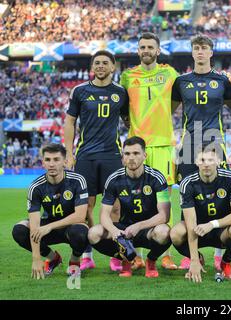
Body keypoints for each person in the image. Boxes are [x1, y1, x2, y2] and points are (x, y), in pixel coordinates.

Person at [171, 34, 231, 271]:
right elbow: (169, 110)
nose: (200, 52)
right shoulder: (181, 82)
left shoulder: (222, 81)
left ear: (211, 52)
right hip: (188, 145)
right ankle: (193, 256)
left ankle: (219, 255)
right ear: (192, 53)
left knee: (221, 196)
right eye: (196, 48)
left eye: (204, 48)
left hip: (214, 144)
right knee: (186, 197)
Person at [64, 50, 129, 272]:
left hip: (112, 155)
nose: (100, 66)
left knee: (117, 207)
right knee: (86, 207)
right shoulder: (80, 91)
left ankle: (115, 254)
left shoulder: (121, 93)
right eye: (97, 63)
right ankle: (87, 255)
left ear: (113, 67)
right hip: (85, 156)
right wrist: (69, 153)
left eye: (105, 63)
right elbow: (70, 122)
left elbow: (129, 121)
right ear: (93, 67)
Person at [120, 32, 178, 270]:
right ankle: (135, 256)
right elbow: (122, 106)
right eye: (142, 46)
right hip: (137, 147)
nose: (146, 50)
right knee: (134, 200)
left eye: (150, 46)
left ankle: (165, 255)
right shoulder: (127, 76)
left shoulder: (170, 73)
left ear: (158, 50)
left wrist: (163, 116)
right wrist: (128, 120)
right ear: (138, 50)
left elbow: (175, 101)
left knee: (165, 199)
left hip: (164, 144)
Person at [88, 137, 172, 278]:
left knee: (164, 232)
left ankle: (151, 260)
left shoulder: (157, 178)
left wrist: (139, 226)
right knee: (93, 233)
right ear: (122, 158)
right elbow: (104, 215)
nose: (131, 158)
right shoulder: (113, 179)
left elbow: (164, 216)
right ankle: (125, 258)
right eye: (127, 154)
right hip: (123, 229)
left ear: (145, 156)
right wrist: (115, 231)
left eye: (136, 153)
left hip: (148, 229)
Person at [170, 143, 231, 282]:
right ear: (196, 162)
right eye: (202, 160)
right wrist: (194, 260)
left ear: (218, 161)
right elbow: (190, 222)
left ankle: (225, 262)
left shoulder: (230, 179)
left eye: (211, 160)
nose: (206, 164)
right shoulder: (188, 183)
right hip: (197, 230)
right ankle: (198, 259)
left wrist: (212, 224)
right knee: (175, 233)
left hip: (222, 231)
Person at [12, 144, 89, 279]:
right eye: (47, 160)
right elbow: (35, 224)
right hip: (48, 227)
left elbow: (80, 216)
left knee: (81, 233)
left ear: (65, 162)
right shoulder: (36, 187)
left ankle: (75, 260)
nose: (51, 164)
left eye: (56, 159)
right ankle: (53, 258)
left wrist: (49, 226)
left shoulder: (78, 180)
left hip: (71, 227)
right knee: (19, 230)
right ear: (43, 163)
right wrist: (36, 259)